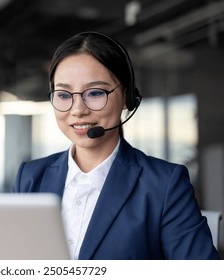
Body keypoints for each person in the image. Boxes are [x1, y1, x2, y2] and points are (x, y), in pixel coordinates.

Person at [13, 31, 220, 260]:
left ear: (127, 97)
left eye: (94, 93)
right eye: (63, 95)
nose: (77, 109)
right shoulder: (30, 177)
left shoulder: (164, 185)